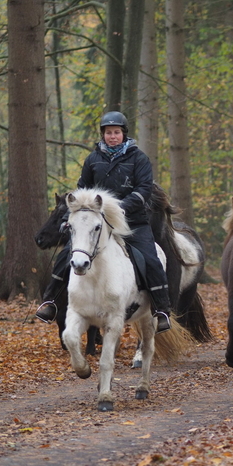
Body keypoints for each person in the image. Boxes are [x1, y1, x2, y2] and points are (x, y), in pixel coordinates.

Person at [35, 111, 172, 333]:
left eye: (116, 132)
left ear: (123, 134)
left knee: (151, 259)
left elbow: (144, 189)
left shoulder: (139, 159)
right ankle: (49, 302)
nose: (112, 136)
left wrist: (120, 208)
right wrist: (67, 219)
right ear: (103, 134)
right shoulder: (93, 159)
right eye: (108, 133)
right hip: (96, 224)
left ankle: (162, 310)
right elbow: (81, 190)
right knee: (67, 254)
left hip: (132, 222)